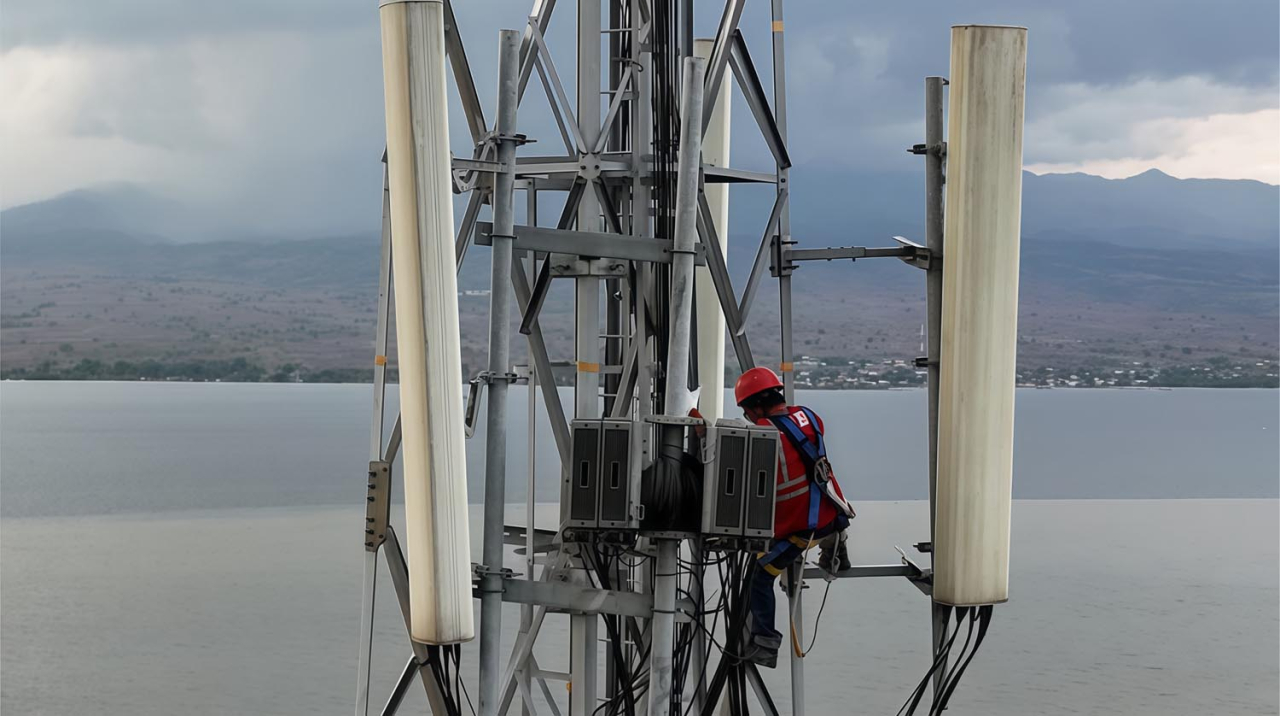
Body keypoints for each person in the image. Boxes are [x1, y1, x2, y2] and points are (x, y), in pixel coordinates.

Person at [733, 366, 855, 668]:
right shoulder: (811, 416)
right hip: (833, 511)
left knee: (759, 576)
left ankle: (764, 644)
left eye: (749, 411)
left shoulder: (763, 436)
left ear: (756, 407)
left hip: (803, 529)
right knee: (822, 520)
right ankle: (837, 547)